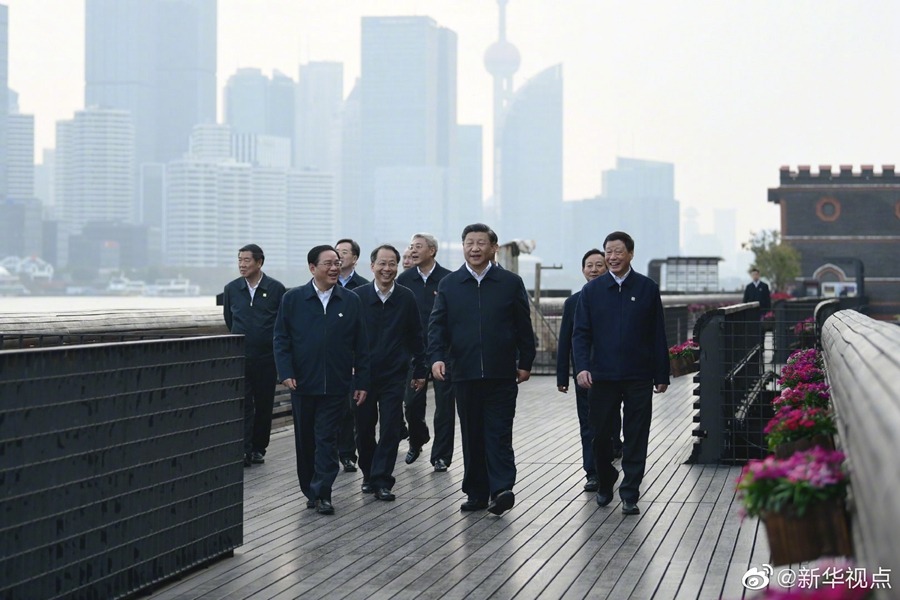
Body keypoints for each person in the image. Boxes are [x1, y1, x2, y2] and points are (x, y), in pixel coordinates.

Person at [428, 223, 536, 515]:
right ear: (463, 247)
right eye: (469, 243)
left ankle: (501, 490)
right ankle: (476, 493)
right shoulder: (450, 284)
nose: (474, 248)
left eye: (481, 243)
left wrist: (526, 362)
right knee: (472, 434)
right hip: (464, 373)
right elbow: (437, 327)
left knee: (499, 433)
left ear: (493, 248)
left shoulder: (510, 282)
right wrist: (436, 358)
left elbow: (523, 325)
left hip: (502, 373)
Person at [573, 231, 669, 516]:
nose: (612, 257)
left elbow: (657, 333)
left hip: (639, 375)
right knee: (600, 435)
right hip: (601, 376)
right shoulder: (592, 291)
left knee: (636, 434)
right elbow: (581, 334)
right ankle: (606, 480)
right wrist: (582, 367)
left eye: (617, 251)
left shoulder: (647, 288)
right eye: (608, 252)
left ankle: (630, 492)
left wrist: (661, 374)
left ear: (630, 254)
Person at [273, 245, 370, 515]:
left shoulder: (350, 300)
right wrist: (286, 372)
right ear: (312, 268)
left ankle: (323, 492)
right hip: (303, 383)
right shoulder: (293, 299)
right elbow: (281, 339)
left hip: (337, 384)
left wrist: (362, 382)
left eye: (337, 263)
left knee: (327, 439)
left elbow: (361, 344)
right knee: (306, 441)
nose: (334, 268)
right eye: (328, 263)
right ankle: (310, 490)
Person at [352, 245, 427, 501]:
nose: (387, 269)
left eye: (392, 264)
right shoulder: (357, 297)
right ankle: (368, 473)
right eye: (382, 264)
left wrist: (420, 369)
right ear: (372, 266)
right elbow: (346, 336)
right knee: (363, 428)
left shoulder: (406, 297)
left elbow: (416, 335)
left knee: (390, 427)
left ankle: (383, 479)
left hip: (394, 374)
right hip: (362, 376)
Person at [556, 249, 622, 493]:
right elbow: (565, 341)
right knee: (587, 424)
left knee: (612, 419)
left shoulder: (617, 297)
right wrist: (562, 375)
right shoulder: (573, 302)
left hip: (614, 373)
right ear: (583, 270)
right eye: (589, 265)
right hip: (584, 374)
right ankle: (592, 472)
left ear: (608, 268)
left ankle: (612, 453)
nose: (594, 270)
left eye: (599, 265)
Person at [223, 244, 286, 467]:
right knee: (243, 404)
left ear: (259, 262)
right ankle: (244, 449)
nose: (242, 264)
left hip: (267, 358)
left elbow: (282, 322)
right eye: (239, 260)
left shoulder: (276, 289)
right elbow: (229, 319)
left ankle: (259, 448)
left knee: (264, 404)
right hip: (240, 357)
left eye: (247, 260)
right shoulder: (232, 289)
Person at [397, 232, 456, 471]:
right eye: (411, 246)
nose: (412, 250)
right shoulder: (404, 279)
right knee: (411, 403)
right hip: (415, 352)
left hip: (443, 351)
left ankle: (441, 456)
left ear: (432, 251)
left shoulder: (448, 279)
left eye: (418, 246)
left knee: (445, 406)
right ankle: (417, 438)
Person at [334, 238, 370, 473]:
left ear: (355, 258)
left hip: (352, 357)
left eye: (344, 252)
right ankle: (336, 452)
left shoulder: (364, 287)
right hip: (330, 356)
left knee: (351, 408)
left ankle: (348, 454)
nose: (339, 256)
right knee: (335, 408)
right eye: (336, 252)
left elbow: (364, 328)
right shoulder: (326, 282)